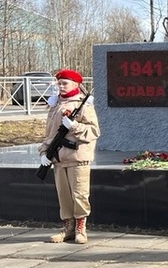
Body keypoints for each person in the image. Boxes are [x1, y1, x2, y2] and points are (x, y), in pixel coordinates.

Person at [39, 69, 100, 244]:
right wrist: (44, 152)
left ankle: (81, 228)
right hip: (58, 158)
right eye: (59, 83)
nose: (61, 86)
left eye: (65, 83)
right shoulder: (55, 105)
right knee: (63, 195)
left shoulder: (84, 105)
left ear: (75, 84)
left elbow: (94, 131)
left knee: (80, 194)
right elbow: (50, 134)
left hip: (78, 157)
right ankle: (68, 227)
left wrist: (74, 126)